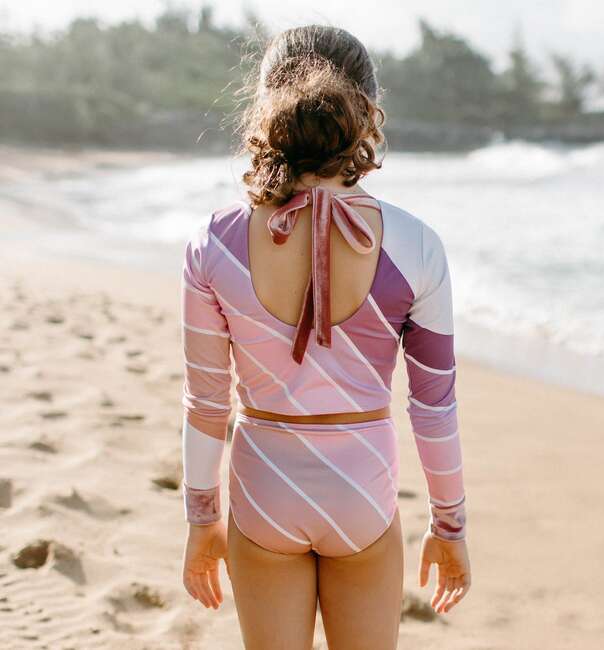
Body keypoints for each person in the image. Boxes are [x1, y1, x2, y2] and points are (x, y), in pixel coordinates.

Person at [180, 24, 471, 650]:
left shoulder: (213, 242)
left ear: (266, 109)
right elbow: (434, 407)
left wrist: (202, 517)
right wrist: (449, 524)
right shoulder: (417, 244)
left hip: (263, 487)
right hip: (362, 488)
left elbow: (205, 405)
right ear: (367, 115)